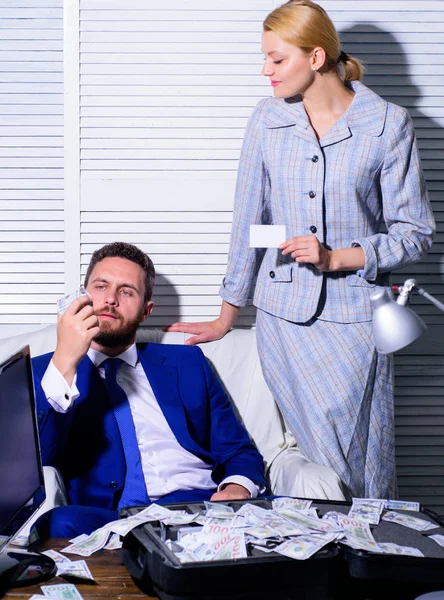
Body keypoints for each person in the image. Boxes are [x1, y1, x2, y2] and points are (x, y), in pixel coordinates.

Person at [167, 0, 435, 500]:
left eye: (276, 59)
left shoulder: (387, 123)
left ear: (315, 58)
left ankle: (371, 563)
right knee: (311, 465)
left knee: (358, 460)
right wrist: (226, 317)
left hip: (354, 321)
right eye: (264, 58)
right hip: (281, 318)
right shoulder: (268, 119)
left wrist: (339, 257)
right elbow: (248, 222)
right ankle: (315, 565)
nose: (264, 70)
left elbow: (415, 232)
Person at [31, 242, 266, 538]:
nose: (111, 300)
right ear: (84, 296)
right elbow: (38, 462)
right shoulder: (48, 371)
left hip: (196, 507)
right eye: (101, 287)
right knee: (56, 524)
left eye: (127, 291)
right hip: (110, 519)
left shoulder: (188, 363)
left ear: (146, 311)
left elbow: (238, 450)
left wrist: (236, 488)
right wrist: (65, 361)